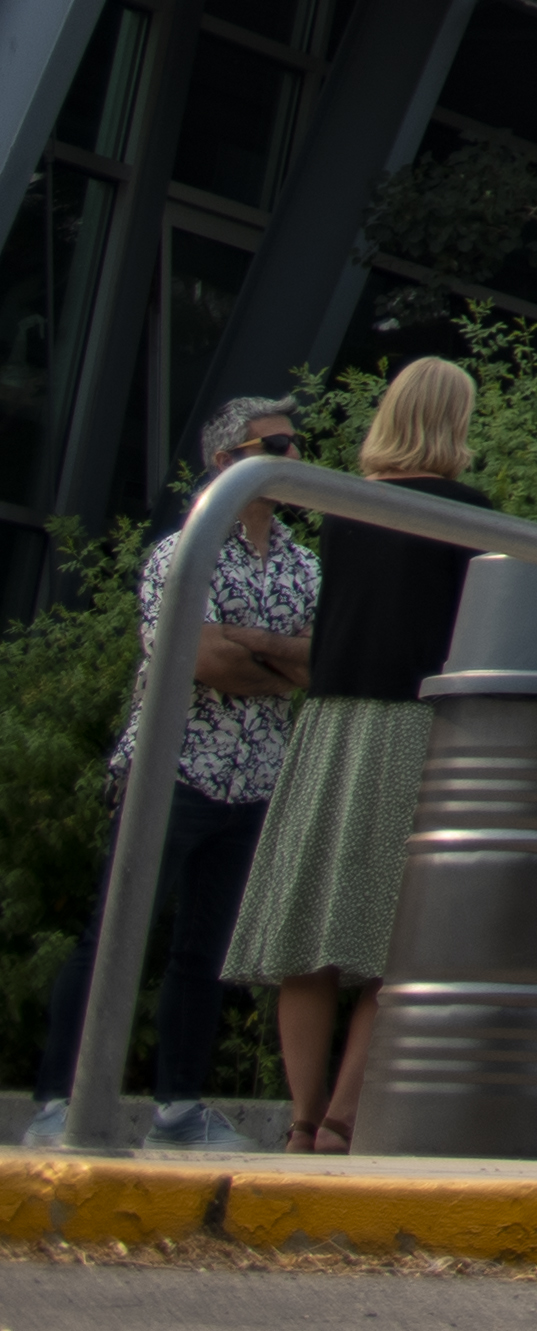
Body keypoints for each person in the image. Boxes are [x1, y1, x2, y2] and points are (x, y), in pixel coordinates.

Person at [30, 396, 315, 1150]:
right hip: (172, 770)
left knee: (206, 951)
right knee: (114, 936)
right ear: (226, 462)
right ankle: (57, 1102)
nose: (295, 456)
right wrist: (274, 656)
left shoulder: (304, 565)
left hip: (254, 778)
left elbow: (317, 661)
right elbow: (201, 661)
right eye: (275, 444)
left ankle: (180, 1111)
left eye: (296, 442)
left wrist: (250, 649)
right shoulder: (179, 554)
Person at [226, 354, 483, 1155]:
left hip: (329, 727)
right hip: (414, 729)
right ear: (454, 422)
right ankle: (343, 1115)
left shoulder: (339, 506)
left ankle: (303, 1121)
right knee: (394, 944)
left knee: (307, 933)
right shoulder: (472, 515)